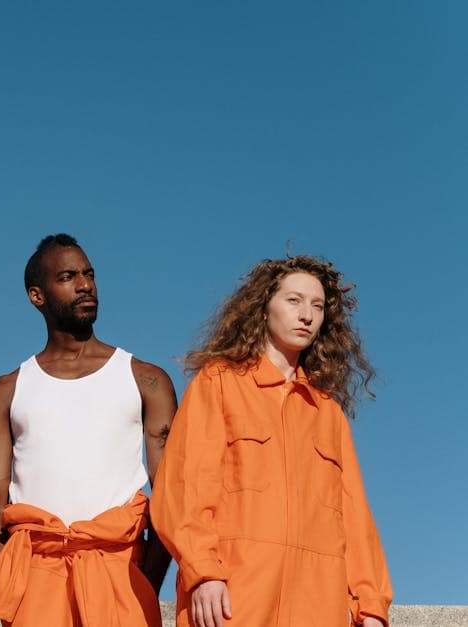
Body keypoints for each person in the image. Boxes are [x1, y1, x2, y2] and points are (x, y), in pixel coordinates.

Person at [151, 256, 392, 627]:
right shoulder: (219, 382)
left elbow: (355, 517)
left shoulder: (327, 412)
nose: (307, 315)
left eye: (317, 306)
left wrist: (370, 604)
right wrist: (204, 571)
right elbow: (184, 488)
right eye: (294, 301)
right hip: (232, 597)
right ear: (264, 308)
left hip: (318, 604)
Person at [0, 234, 177, 626]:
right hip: (36, 585)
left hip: (122, 577)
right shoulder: (6, 391)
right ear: (37, 295)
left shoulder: (147, 380)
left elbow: (172, 492)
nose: (85, 285)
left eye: (89, 274)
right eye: (68, 276)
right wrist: (18, 581)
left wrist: (143, 581)